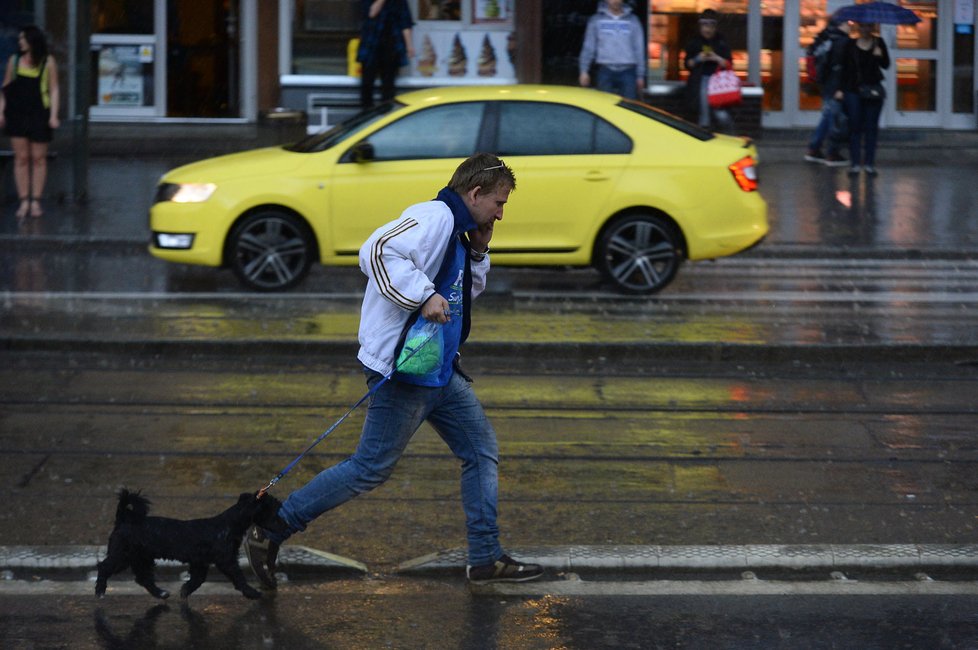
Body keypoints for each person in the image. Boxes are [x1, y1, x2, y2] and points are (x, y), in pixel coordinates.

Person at [245, 153, 544, 587]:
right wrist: (423, 295)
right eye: (499, 202)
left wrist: (479, 250)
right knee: (369, 468)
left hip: (439, 370)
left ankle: (484, 558)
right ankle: (270, 529)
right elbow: (378, 251)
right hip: (407, 373)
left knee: (480, 452)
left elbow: (463, 294)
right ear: (475, 193)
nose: (500, 212)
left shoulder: (460, 232)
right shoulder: (434, 216)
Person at [0, 25, 59, 219]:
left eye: (23, 39)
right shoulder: (14, 61)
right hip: (17, 114)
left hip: (39, 114)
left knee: (39, 158)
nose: (20, 42)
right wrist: (1, 112)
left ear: (32, 40)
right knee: (21, 158)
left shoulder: (47, 62)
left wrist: (53, 115)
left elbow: (54, 89)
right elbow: (5, 89)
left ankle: (36, 201)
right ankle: (24, 200)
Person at [837, 22, 889, 176]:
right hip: (853, 90)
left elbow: (886, 65)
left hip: (872, 90)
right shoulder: (850, 45)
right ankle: (854, 164)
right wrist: (840, 89)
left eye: (868, 27)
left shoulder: (878, 43)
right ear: (858, 29)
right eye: (862, 27)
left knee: (871, 128)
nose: (865, 29)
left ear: (872, 28)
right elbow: (844, 68)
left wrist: (880, 56)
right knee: (855, 127)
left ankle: (869, 164)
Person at [804, 16, 850, 166]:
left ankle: (814, 149)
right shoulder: (841, 41)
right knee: (835, 119)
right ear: (839, 25)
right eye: (847, 22)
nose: (850, 25)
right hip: (835, 85)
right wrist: (839, 88)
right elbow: (839, 66)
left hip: (826, 84)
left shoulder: (825, 37)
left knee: (828, 116)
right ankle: (832, 152)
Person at [578, 0, 646, 100]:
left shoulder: (633, 21)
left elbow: (639, 48)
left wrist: (640, 75)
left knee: (629, 106)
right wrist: (584, 71)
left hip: (628, 71)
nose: (615, 1)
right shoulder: (596, 20)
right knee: (605, 105)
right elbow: (589, 46)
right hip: (605, 70)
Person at [683, 9, 734, 133]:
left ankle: (727, 134)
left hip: (718, 82)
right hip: (700, 80)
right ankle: (705, 131)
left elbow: (729, 64)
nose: (708, 29)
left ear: (715, 27)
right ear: (700, 26)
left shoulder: (721, 41)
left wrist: (716, 58)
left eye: (711, 26)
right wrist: (698, 58)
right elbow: (687, 64)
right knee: (703, 112)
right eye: (705, 26)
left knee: (720, 113)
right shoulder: (694, 41)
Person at [357, 0, 415, 110]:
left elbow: (405, 22)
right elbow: (371, 13)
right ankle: (366, 115)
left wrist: (409, 46)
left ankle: (386, 114)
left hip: (391, 46)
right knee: (367, 84)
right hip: (371, 46)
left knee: (388, 87)